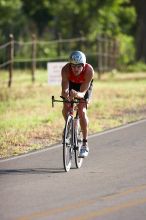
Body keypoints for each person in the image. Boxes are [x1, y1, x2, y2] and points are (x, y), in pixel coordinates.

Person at [61, 50, 94, 158]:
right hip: (72, 84)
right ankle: (69, 126)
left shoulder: (89, 71)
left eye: (79, 66)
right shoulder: (65, 70)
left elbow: (83, 93)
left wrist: (77, 95)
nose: (75, 69)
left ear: (83, 66)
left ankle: (84, 144)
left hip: (84, 87)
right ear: (70, 65)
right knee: (66, 106)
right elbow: (64, 88)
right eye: (73, 66)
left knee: (82, 110)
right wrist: (67, 95)